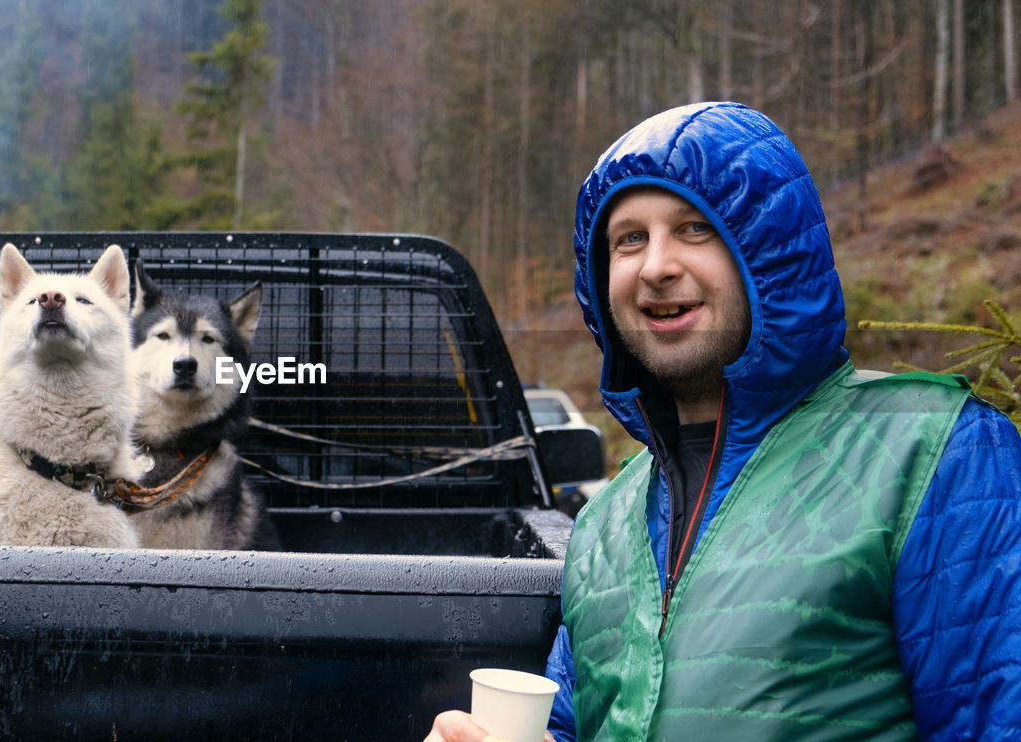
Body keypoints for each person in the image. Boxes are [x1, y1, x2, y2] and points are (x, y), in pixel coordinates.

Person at [426, 102, 1021, 741]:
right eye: (629, 238)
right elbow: (579, 725)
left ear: (768, 254)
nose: (655, 266)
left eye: (694, 228)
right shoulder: (607, 523)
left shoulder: (934, 452)